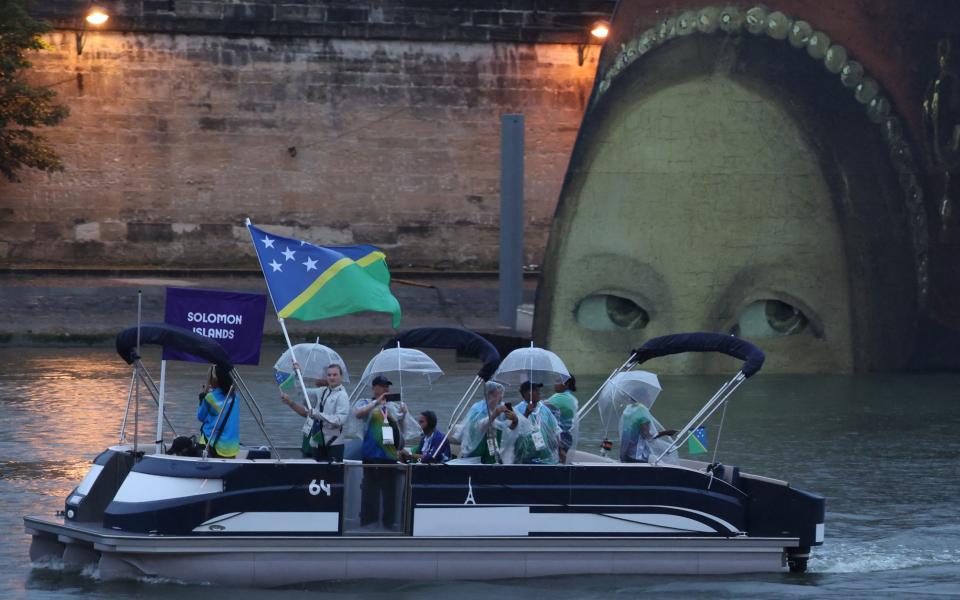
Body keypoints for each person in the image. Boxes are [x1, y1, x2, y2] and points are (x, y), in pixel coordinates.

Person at [353, 375, 407, 529]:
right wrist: (377, 402)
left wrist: (404, 414)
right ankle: (369, 522)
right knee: (370, 490)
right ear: (374, 387)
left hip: (389, 456)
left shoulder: (392, 407)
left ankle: (388, 523)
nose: (386, 389)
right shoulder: (365, 402)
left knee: (389, 492)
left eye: (388, 386)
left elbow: (401, 431)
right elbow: (358, 414)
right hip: (371, 455)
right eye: (383, 386)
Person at [281, 363, 350, 461]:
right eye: (329, 375)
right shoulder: (322, 391)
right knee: (317, 474)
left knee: (331, 475)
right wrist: (297, 375)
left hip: (334, 444)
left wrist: (317, 414)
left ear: (341, 376)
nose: (332, 377)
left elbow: (340, 420)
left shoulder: (342, 396)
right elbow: (302, 391)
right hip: (317, 443)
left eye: (335, 375)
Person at [458, 381, 521, 464]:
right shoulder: (477, 408)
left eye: (502, 394)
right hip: (477, 454)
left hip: (494, 453)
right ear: (489, 394)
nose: (501, 397)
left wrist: (515, 420)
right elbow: (479, 426)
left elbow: (510, 429)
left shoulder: (502, 409)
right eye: (498, 394)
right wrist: (495, 414)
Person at [196, 364, 239, 458]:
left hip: (213, 446)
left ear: (214, 379)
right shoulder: (235, 396)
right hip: (231, 447)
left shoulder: (210, 397)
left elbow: (200, 417)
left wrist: (202, 398)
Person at [544, 375, 579, 464]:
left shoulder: (561, 398)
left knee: (560, 458)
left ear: (566, 384)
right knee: (561, 458)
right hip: (568, 435)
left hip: (561, 436)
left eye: (558, 381)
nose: (555, 384)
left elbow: (540, 406)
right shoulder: (571, 397)